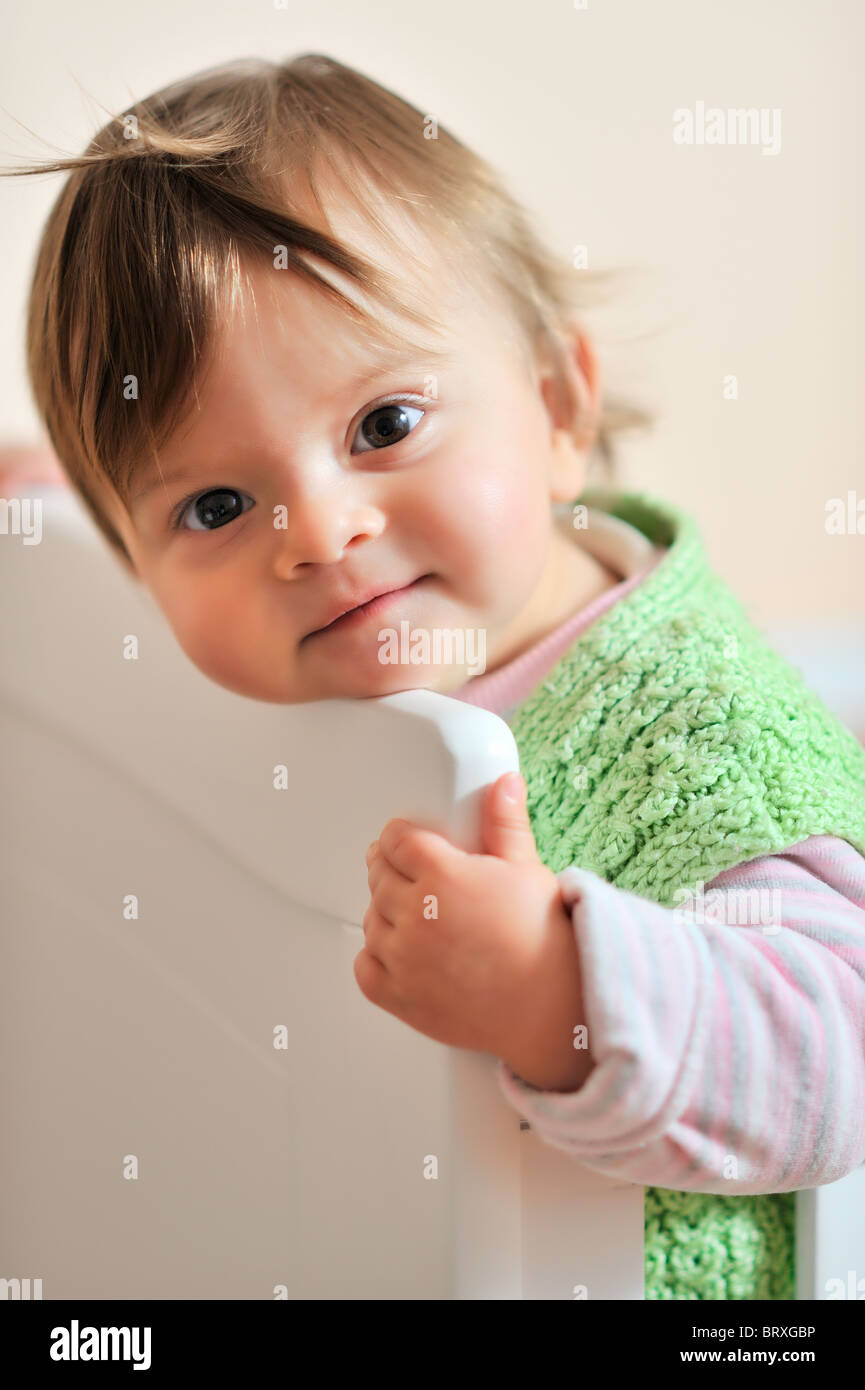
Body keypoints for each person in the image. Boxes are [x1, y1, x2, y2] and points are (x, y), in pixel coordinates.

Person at [6, 53, 865, 1301]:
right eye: (217, 502)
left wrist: (559, 990)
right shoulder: (275, 639)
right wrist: (48, 524)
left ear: (560, 404)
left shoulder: (705, 739)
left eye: (384, 426)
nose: (318, 532)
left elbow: (838, 1054)